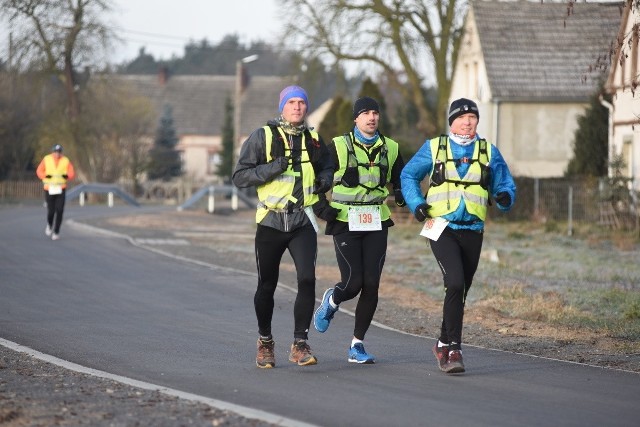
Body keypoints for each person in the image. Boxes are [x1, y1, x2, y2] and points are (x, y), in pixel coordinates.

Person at [400, 98, 516, 373]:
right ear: (451, 121)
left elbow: (506, 185)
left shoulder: (488, 151)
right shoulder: (435, 147)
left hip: (473, 230)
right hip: (441, 227)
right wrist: (416, 203)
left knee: (460, 290)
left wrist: (504, 197)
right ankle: (454, 350)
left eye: (472, 117)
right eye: (462, 117)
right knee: (454, 283)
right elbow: (408, 175)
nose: (467, 121)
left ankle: (441, 342)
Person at [232, 85, 334, 369]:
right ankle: (265, 342)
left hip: (302, 220)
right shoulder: (262, 136)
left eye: (302, 102)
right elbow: (239, 177)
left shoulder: (313, 139)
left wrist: (326, 180)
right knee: (267, 285)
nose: (297, 107)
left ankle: (300, 344)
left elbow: (327, 167)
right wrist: (271, 168)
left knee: (307, 280)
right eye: (292, 102)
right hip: (271, 221)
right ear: (282, 107)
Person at [312, 96, 406, 364]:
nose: (371, 117)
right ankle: (332, 300)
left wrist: (401, 194)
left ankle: (357, 345)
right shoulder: (338, 146)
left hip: (376, 218)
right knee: (353, 282)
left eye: (375, 112)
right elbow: (318, 179)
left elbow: (403, 177)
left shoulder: (392, 147)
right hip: (345, 219)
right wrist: (321, 207)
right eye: (365, 113)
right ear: (355, 118)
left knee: (372, 284)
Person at [36, 144, 76, 241]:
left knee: (60, 210)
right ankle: (50, 225)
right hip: (49, 188)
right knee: (51, 211)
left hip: (60, 188)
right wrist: (45, 175)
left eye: (59, 152)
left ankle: (56, 231)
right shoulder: (47, 159)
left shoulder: (65, 160)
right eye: (55, 151)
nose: (57, 154)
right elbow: (39, 171)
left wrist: (68, 176)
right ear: (52, 152)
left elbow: (71, 172)